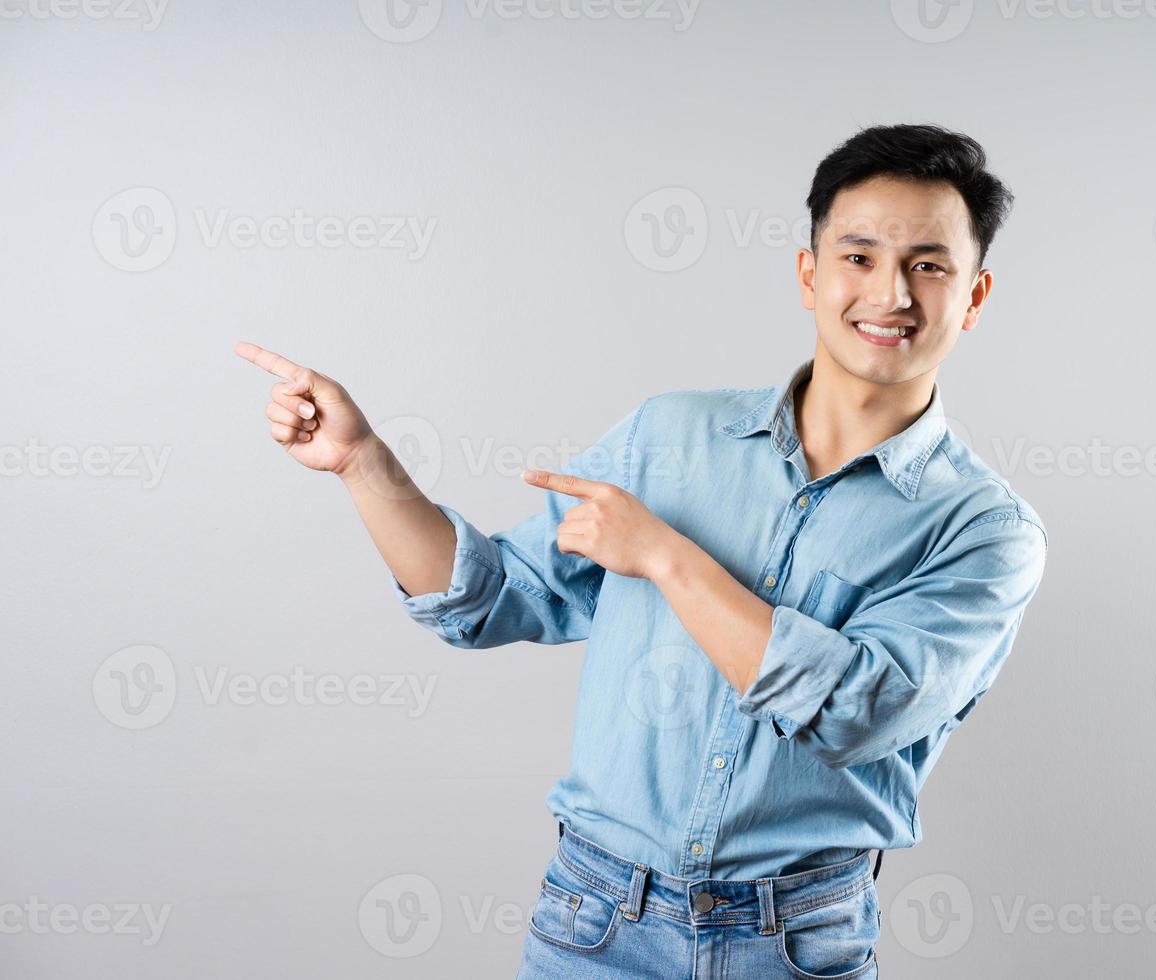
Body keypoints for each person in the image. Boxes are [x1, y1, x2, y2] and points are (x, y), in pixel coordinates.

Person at [234, 122, 1047, 979]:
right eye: (857, 257)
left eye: (929, 264)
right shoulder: (669, 437)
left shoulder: (985, 532)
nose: (889, 294)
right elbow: (488, 598)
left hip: (797, 945)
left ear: (975, 295)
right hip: (595, 925)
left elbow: (857, 712)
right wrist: (364, 463)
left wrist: (668, 558)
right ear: (809, 275)